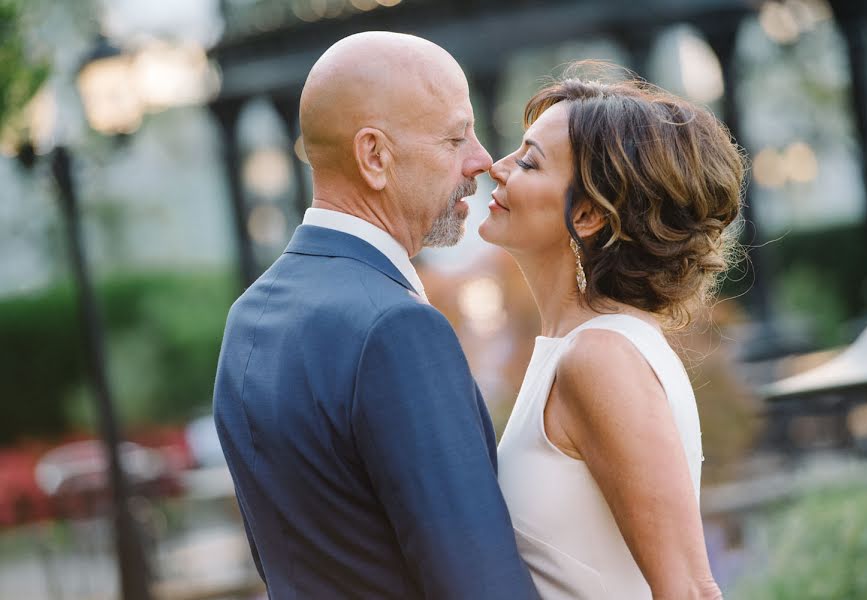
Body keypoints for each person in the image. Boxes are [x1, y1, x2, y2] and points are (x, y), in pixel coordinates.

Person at [212, 32, 538, 599]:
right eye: (457, 137)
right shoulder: (397, 330)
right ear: (374, 156)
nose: (482, 161)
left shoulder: (249, 316)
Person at [482, 65, 743, 599]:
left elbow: (689, 589)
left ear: (586, 215)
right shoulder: (575, 349)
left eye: (529, 161)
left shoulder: (600, 357)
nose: (497, 167)